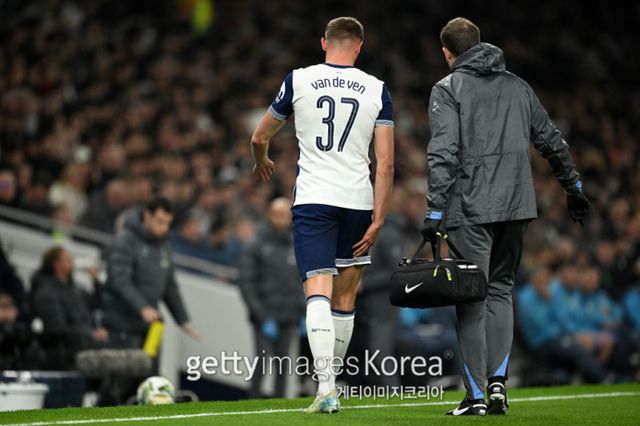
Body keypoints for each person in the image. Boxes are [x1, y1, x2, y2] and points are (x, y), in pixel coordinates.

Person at [420, 18, 591, 416]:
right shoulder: (518, 86)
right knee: (500, 290)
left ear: (447, 53)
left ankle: (476, 397)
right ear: (480, 44)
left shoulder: (447, 88)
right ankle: (498, 386)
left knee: (471, 298)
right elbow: (551, 139)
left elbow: (443, 151)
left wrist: (434, 208)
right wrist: (574, 187)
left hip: (471, 208)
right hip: (516, 207)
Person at [249, 16, 394, 413]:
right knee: (345, 297)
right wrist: (379, 218)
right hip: (359, 200)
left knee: (317, 290)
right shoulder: (377, 89)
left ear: (324, 43)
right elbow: (385, 163)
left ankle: (326, 388)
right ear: (359, 46)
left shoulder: (299, 80)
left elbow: (260, 136)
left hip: (314, 198)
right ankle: (331, 384)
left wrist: (261, 160)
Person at [102, 196, 199, 349]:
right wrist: (142, 307)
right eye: (160, 222)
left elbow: (169, 286)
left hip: (150, 325)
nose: (164, 228)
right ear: (147, 216)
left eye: (167, 223)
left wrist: (183, 320)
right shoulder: (126, 240)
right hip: (121, 322)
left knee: (150, 362)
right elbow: (120, 279)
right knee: (122, 362)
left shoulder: (165, 247)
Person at [238, 198, 305, 398]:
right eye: (277, 214)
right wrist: (261, 315)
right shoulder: (256, 244)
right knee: (261, 364)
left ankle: (279, 409)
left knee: (283, 368)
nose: (281, 219)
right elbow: (246, 283)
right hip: (265, 318)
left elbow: (300, 281)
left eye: (285, 215)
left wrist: (302, 311)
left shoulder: (297, 244)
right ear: (269, 215)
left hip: (289, 317)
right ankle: (251, 406)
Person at [30, 247, 108, 368]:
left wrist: (95, 280)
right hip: (65, 353)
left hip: (84, 345)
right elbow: (56, 329)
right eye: (67, 259)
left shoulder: (73, 288)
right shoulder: (46, 292)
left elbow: (96, 303)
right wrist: (91, 334)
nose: (72, 261)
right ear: (56, 264)